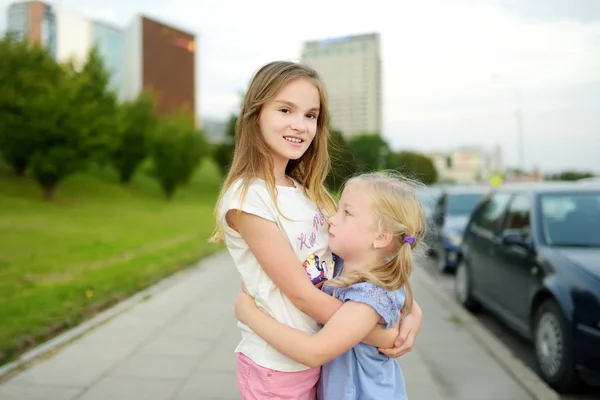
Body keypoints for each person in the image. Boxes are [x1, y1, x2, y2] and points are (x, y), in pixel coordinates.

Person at [210, 61, 423, 399]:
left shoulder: (308, 193)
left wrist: (412, 312)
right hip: (278, 365)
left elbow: (365, 262)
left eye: (310, 115)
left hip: (320, 361)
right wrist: (382, 334)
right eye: (285, 109)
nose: (300, 125)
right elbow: (301, 294)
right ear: (256, 113)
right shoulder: (249, 200)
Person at [235, 171, 426, 399]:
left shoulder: (371, 295)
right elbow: (408, 304)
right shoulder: (344, 264)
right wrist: (415, 315)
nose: (332, 219)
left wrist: (248, 313)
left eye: (347, 213)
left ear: (381, 237)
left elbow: (314, 352)